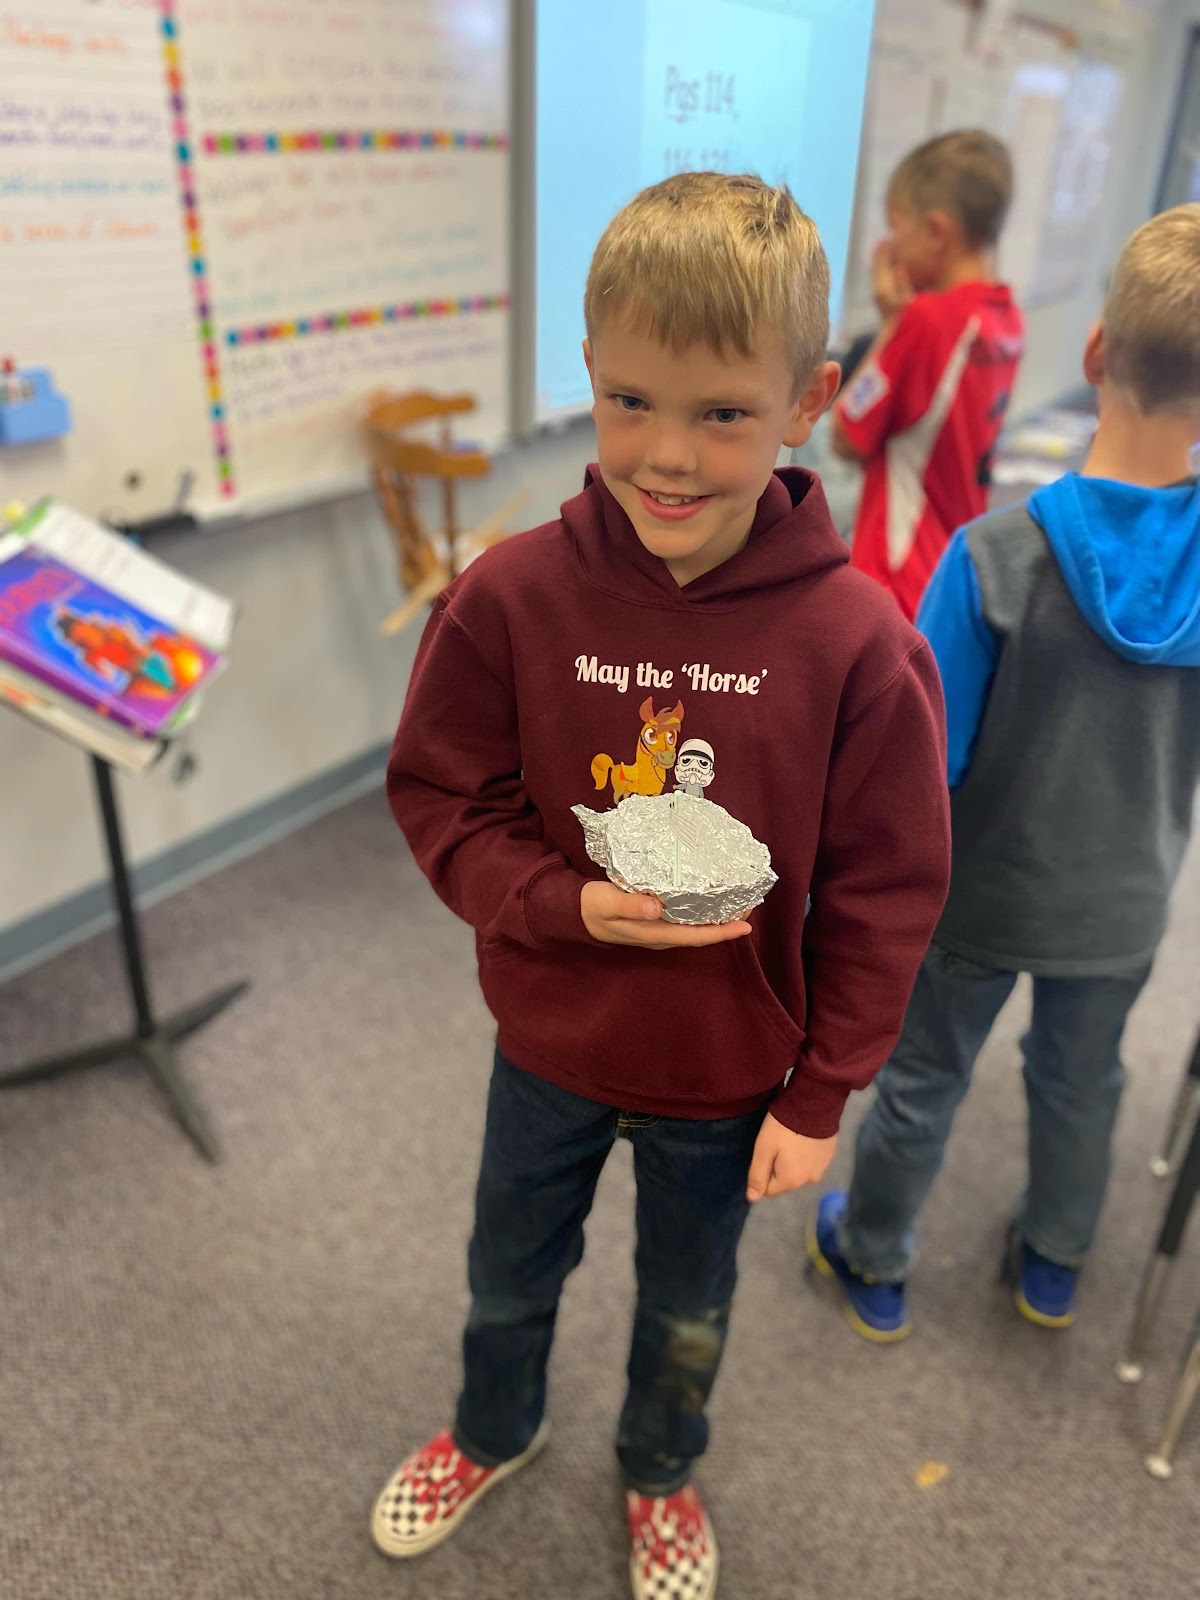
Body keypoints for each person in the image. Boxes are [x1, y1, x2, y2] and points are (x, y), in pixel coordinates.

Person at [375, 172, 951, 1600]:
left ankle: (659, 1468)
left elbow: (887, 891)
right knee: (510, 1269)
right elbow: (447, 797)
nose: (668, 456)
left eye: (724, 414)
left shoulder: (857, 641)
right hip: (551, 1041)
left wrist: (822, 1093)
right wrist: (558, 904)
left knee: (690, 1301)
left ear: (810, 400)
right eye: (630, 401)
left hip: (728, 1068)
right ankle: (493, 1427)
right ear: (587, 371)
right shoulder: (509, 597)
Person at [809, 204, 1200, 1344]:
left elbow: (923, 763)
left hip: (978, 894)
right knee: (1082, 1082)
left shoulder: (994, 555)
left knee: (924, 1076)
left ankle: (874, 1255)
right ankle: (1054, 1264)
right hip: (1123, 901)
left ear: (1096, 352)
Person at [831, 130, 1025, 620]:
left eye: (896, 228)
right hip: (955, 570)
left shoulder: (927, 321)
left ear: (938, 232)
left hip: (896, 576)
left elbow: (846, 435)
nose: (890, 246)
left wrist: (891, 325)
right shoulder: (1006, 319)